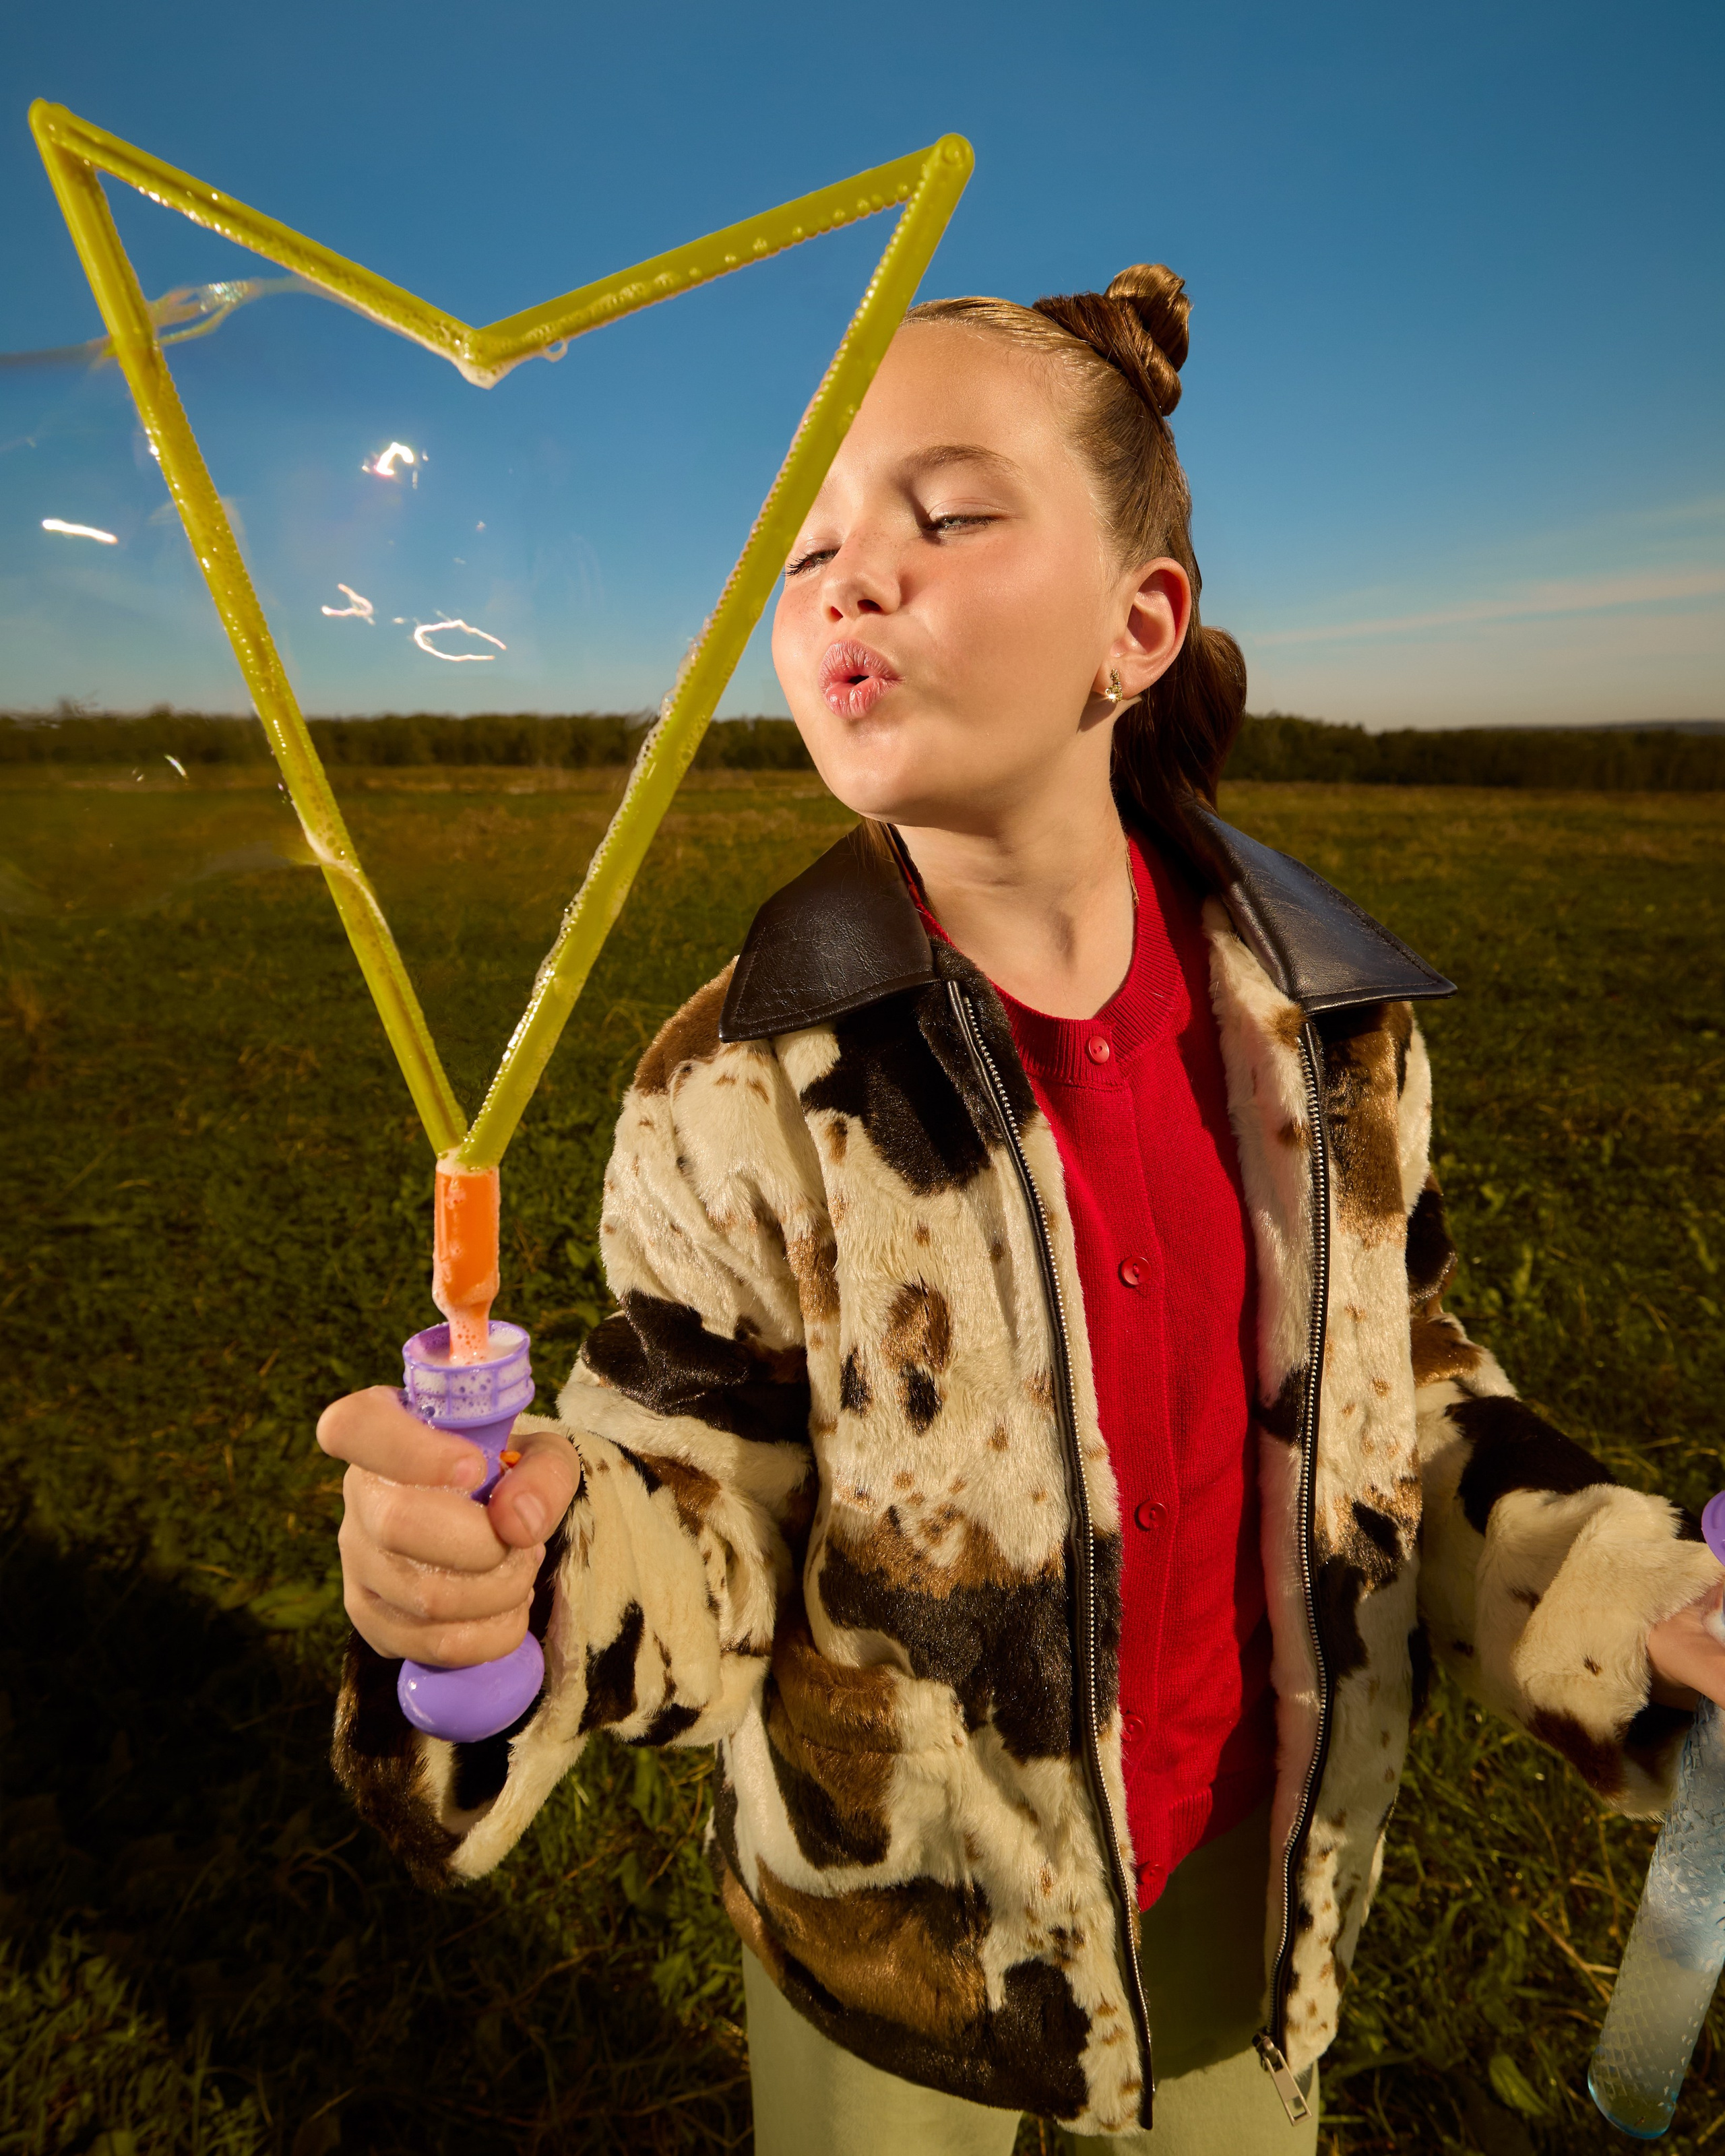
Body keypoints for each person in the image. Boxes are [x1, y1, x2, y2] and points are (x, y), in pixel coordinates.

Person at [316, 265, 1725, 2153]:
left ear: (1138, 626)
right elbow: (698, 1510)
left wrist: (1649, 1611)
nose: (847, 578)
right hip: (896, 1947)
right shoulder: (743, 1081)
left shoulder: (1336, 1035)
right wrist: (532, 1577)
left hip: (1254, 1866)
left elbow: (1416, 1408)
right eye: (803, 548)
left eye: (946, 511)